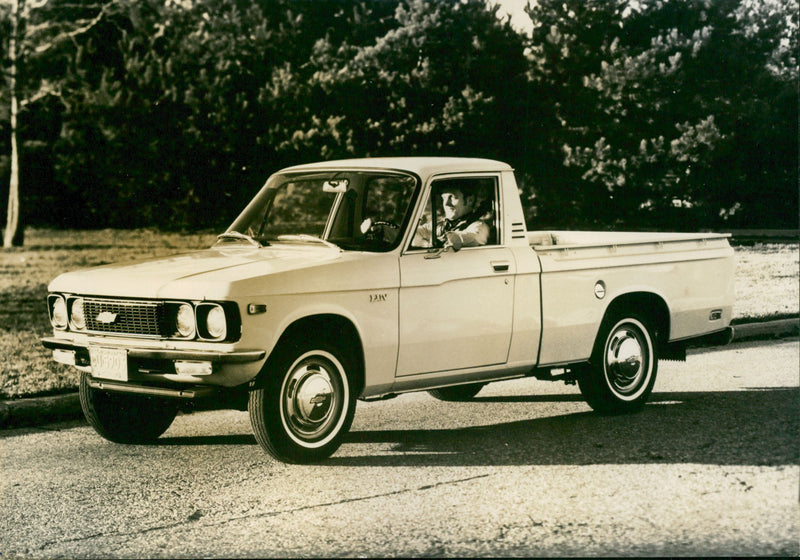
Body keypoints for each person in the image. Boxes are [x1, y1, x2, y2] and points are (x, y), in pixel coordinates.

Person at [414, 185, 491, 250]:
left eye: (452, 197)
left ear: (469, 200)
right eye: (444, 198)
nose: (446, 204)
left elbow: (470, 238)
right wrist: (427, 244)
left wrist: (441, 241)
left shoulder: (480, 227)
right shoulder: (439, 225)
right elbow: (412, 234)